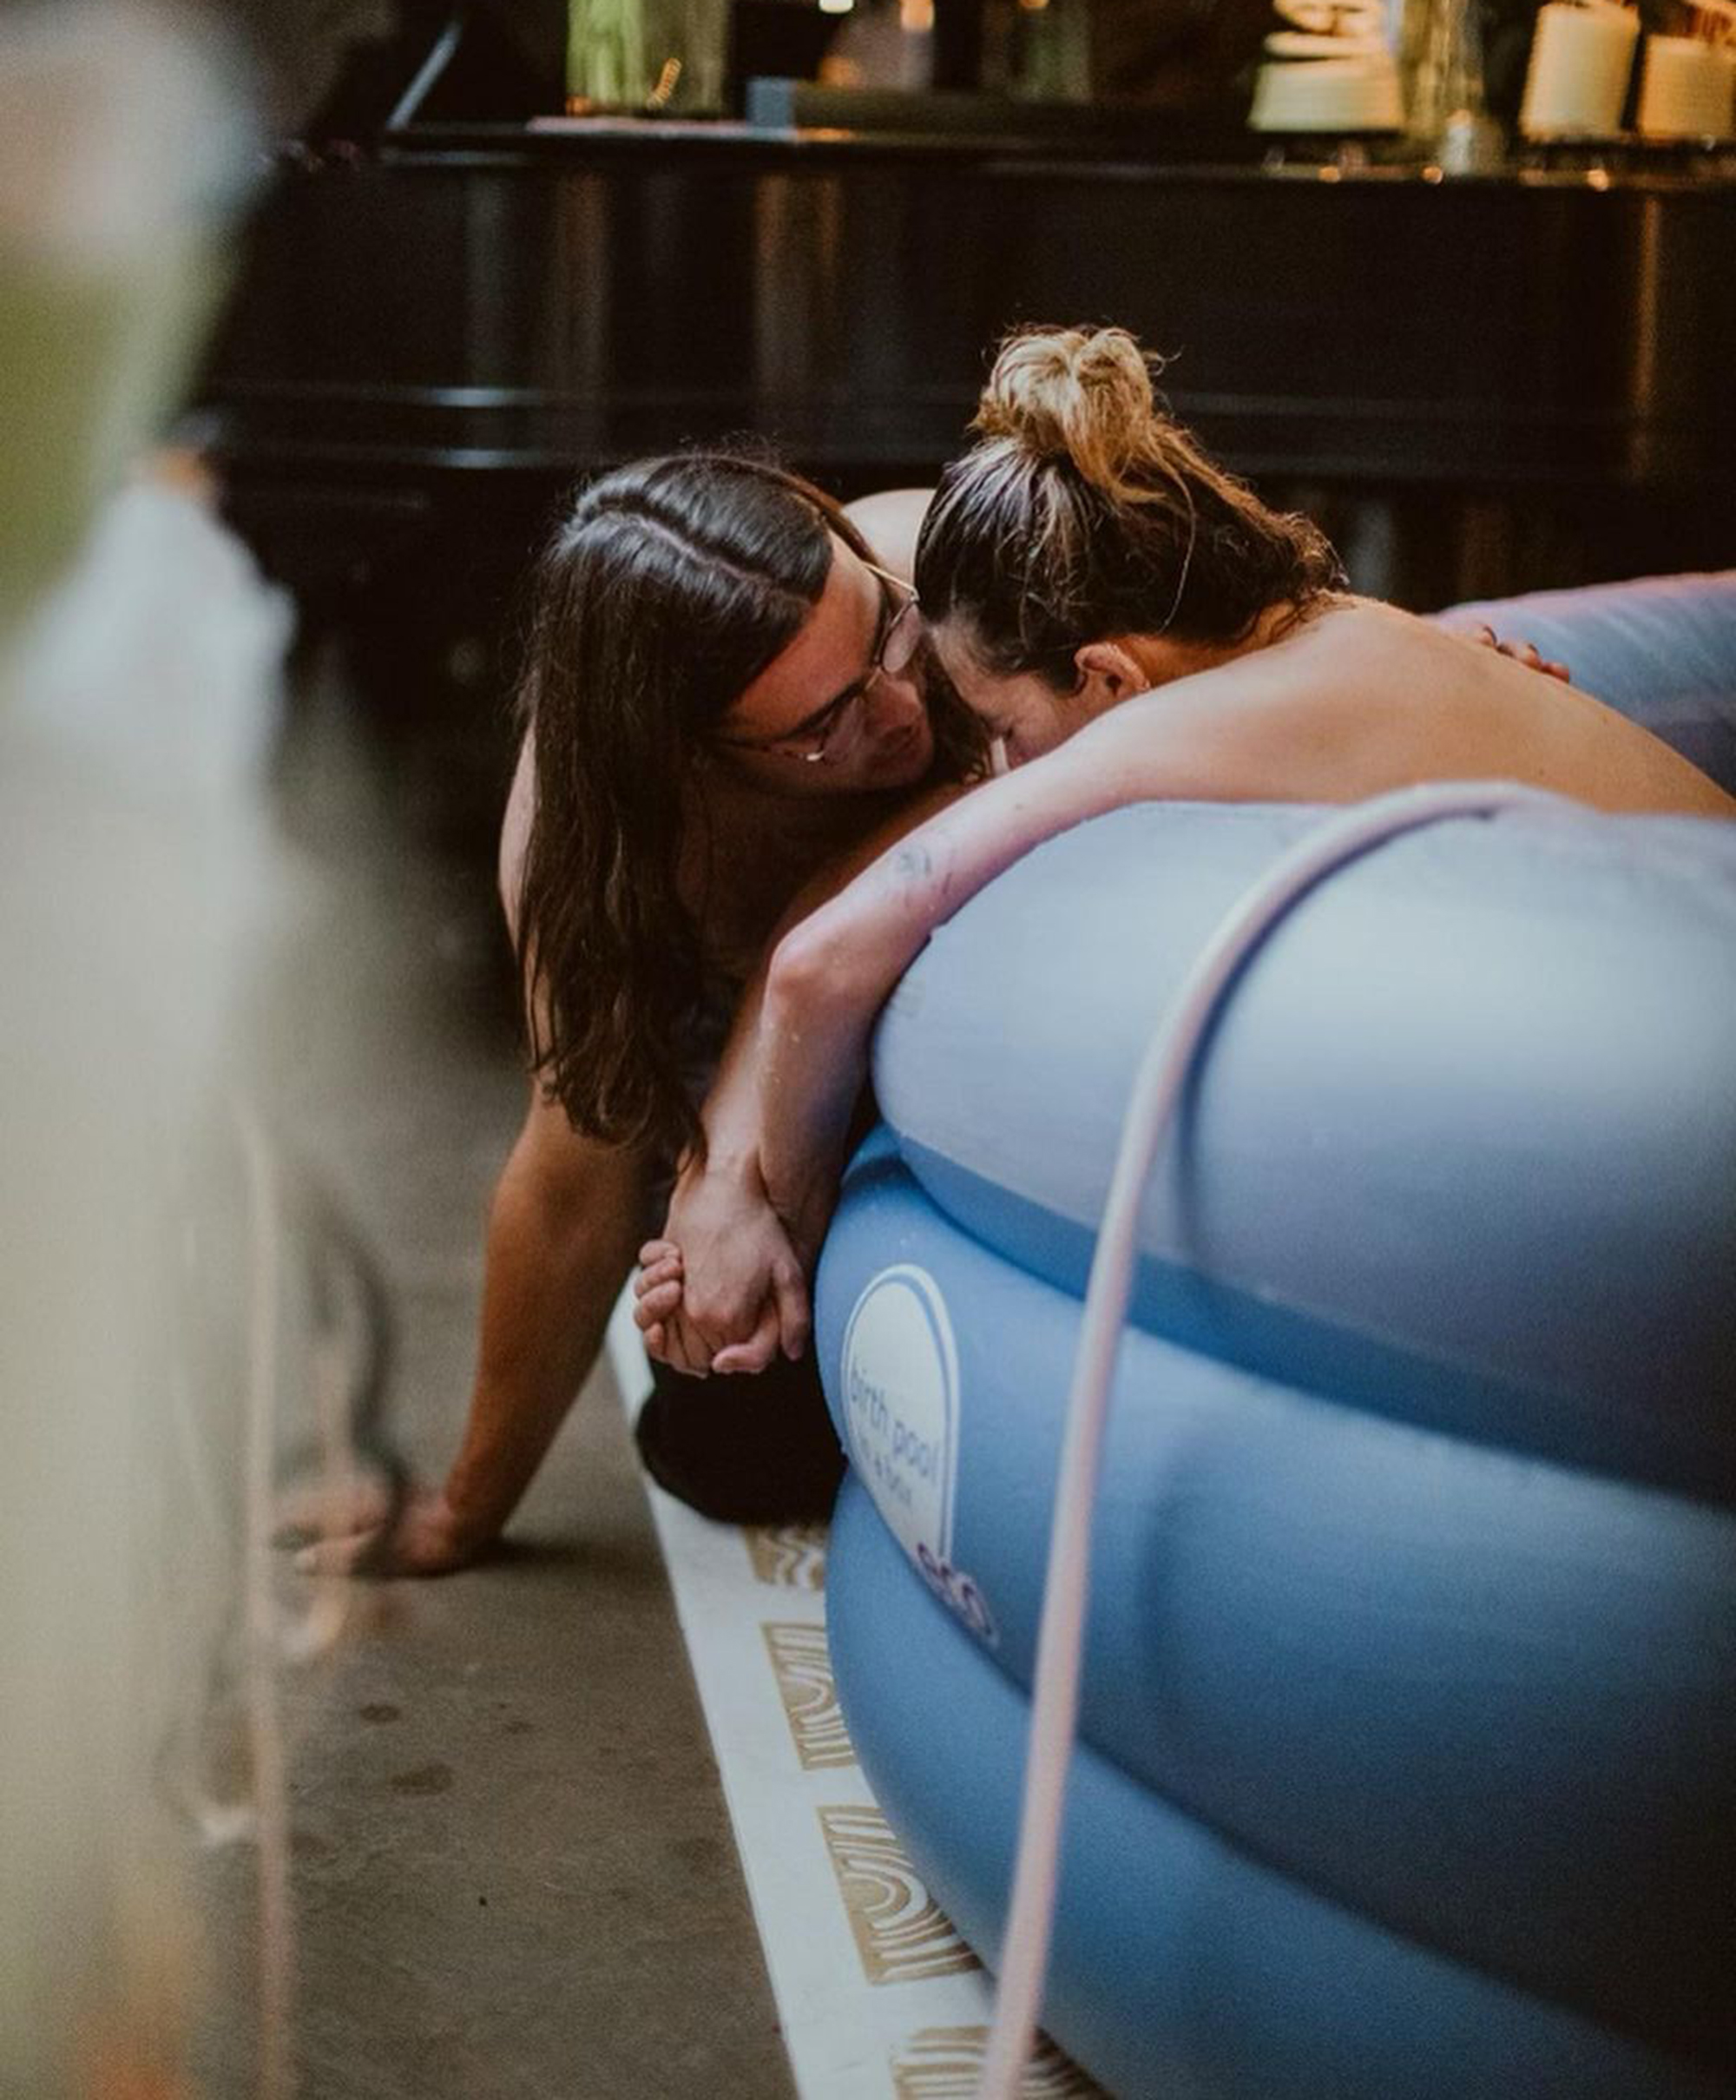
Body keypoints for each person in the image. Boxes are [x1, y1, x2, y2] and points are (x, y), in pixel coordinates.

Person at [635, 324, 1736, 1367]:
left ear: (1106, 675)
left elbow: (819, 964)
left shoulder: (1185, 719)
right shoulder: (1342, 628)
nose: (1003, 765)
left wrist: (786, 1222)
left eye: (1009, 730)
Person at [294, 452, 985, 1576]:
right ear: (692, 748)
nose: (902, 712)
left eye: (886, 638)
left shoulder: (947, 567)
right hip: (791, 1063)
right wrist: (464, 1506)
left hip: (985, 1009)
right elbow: (577, 1172)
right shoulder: (597, 843)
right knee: (733, 1434)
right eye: (824, 727)